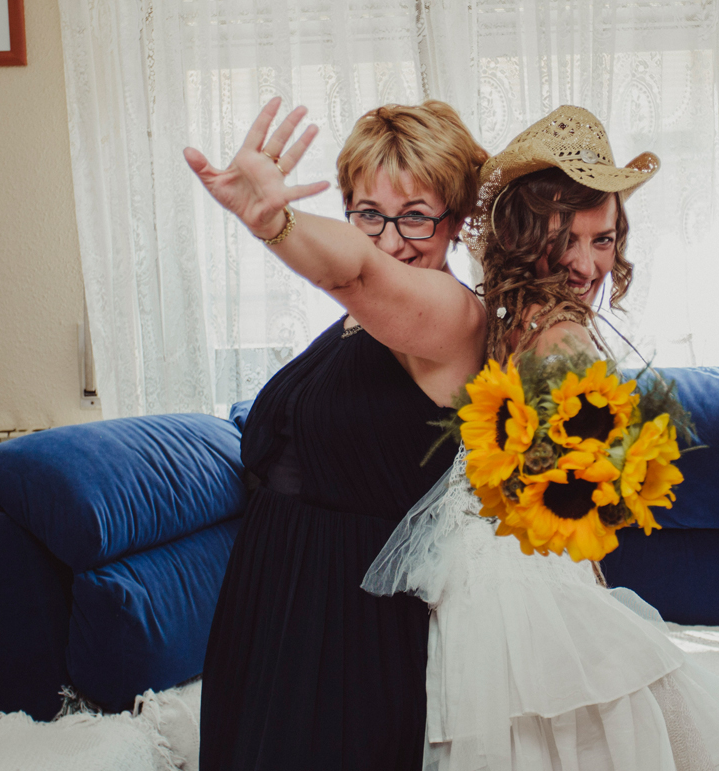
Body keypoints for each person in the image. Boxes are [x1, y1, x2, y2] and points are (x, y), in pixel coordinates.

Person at [364, 106, 719, 771]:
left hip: (472, 560)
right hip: (517, 574)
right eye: (570, 238)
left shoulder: (495, 310)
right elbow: (570, 484)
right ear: (531, 234)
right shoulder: (560, 332)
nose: (589, 263)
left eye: (605, 238)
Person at [184, 99, 489, 770]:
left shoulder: (453, 316)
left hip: (349, 620)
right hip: (275, 598)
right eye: (368, 214)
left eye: (415, 215)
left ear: (458, 223)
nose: (388, 239)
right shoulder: (357, 320)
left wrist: (275, 223)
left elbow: (354, 267)